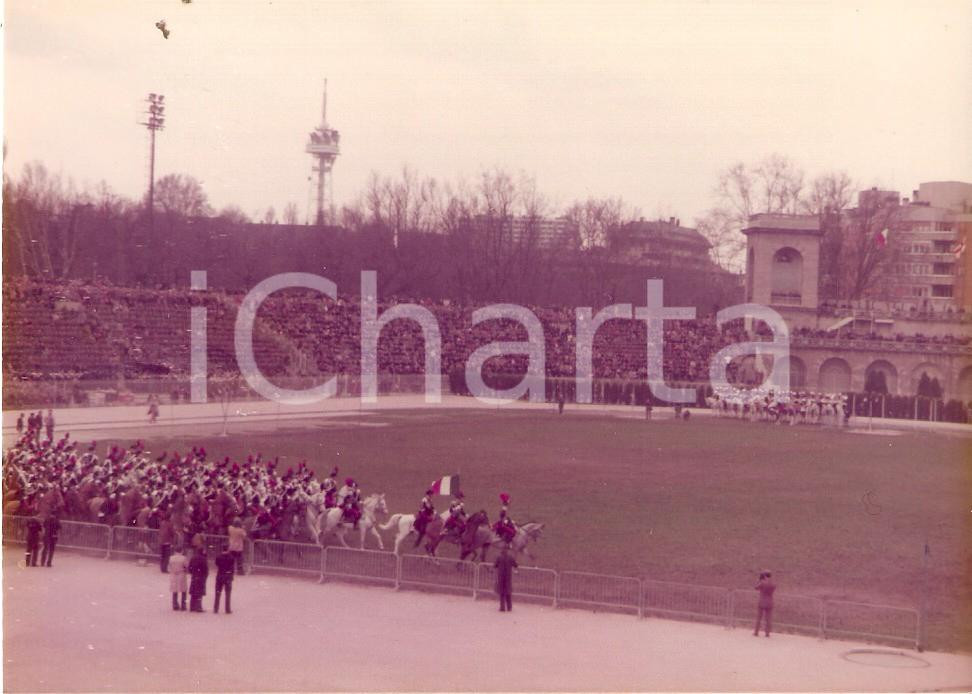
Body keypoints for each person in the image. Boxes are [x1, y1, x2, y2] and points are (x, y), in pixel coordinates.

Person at [494, 545, 518, 612]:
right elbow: (516, 565)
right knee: (508, 592)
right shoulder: (510, 557)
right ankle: (509, 607)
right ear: (508, 550)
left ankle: (502, 607)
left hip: (501, 577)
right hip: (508, 577)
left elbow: (495, 565)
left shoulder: (499, 557)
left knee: (501, 592)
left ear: (502, 550)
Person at [754, 570, 776, 637]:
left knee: (759, 618)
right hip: (770, 602)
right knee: (768, 619)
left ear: (764, 576)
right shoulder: (773, 584)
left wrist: (759, 580)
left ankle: (756, 632)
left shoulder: (762, 583)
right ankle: (767, 633)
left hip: (762, 602)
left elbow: (756, 587)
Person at [213, 549, 235, 614]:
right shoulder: (231, 557)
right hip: (228, 576)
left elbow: (216, 564)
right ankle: (227, 609)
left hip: (220, 575)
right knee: (228, 594)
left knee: (217, 593)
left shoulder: (218, 557)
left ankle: (216, 608)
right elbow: (232, 566)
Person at [187, 547, 209, 613]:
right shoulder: (203, 559)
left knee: (193, 592)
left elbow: (189, 567)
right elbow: (205, 569)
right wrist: (205, 575)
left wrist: (193, 573)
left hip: (194, 576)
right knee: (200, 592)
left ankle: (192, 606)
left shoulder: (193, 558)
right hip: (201, 577)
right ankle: (198, 607)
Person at [169, 546, 189, 611]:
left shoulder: (171, 558)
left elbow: (169, 566)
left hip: (174, 575)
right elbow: (186, 565)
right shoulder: (184, 558)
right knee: (183, 590)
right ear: (182, 551)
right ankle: (183, 605)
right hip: (181, 575)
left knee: (174, 590)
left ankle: (175, 605)